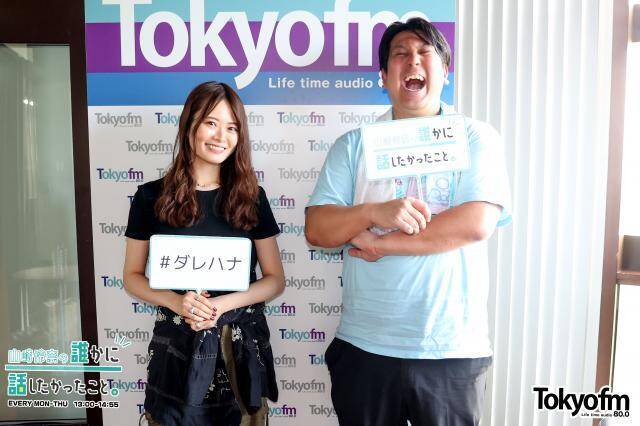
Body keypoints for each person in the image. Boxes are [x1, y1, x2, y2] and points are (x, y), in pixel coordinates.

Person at [305, 18, 511, 426]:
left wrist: (379, 243)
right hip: (365, 346)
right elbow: (318, 229)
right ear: (384, 76)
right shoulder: (353, 145)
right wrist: (371, 212)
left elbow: (475, 223)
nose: (413, 61)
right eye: (400, 54)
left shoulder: (475, 137)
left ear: (445, 71)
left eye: (424, 53)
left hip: (450, 350)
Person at [123, 81, 284, 426]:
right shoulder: (150, 197)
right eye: (211, 123)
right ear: (190, 125)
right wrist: (176, 302)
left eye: (232, 127)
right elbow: (132, 277)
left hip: (238, 349)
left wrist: (219, 306)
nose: (221, 136)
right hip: (176, 349)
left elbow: (274, 280)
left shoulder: (252, 197)